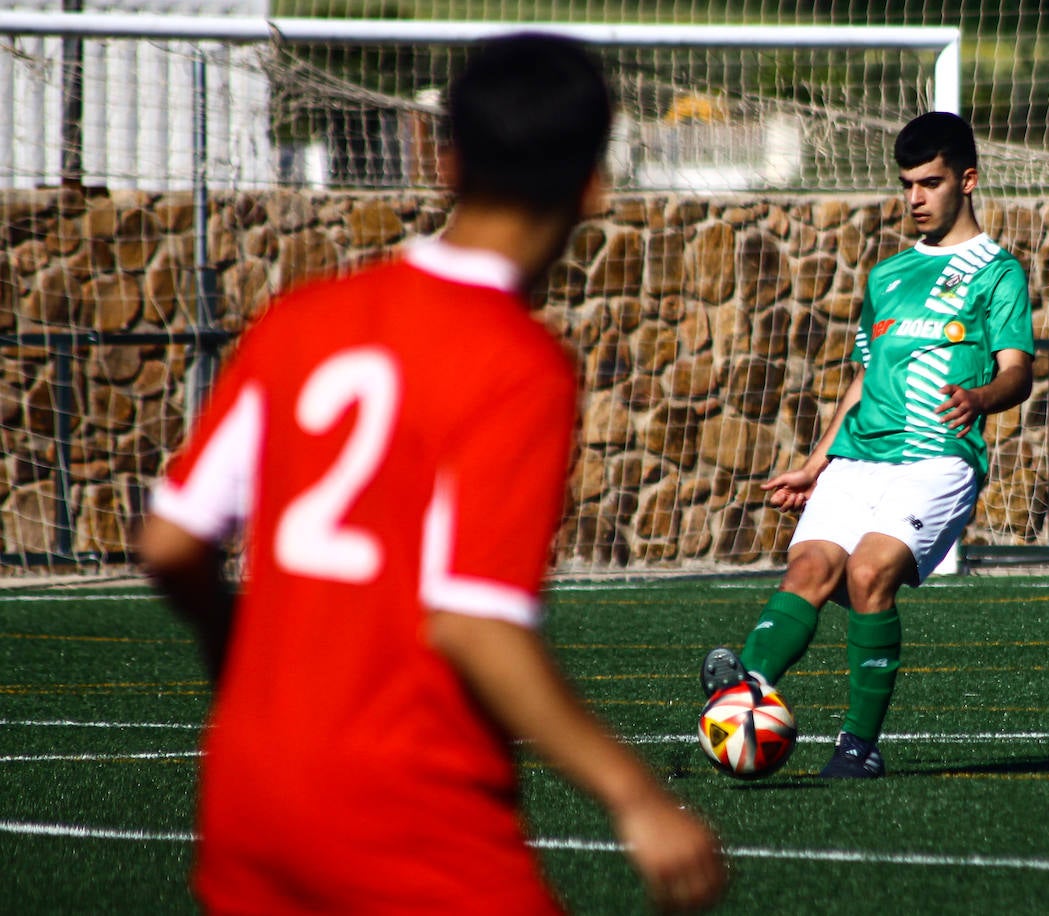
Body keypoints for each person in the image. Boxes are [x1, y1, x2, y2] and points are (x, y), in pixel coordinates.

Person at [138, 33, 725, 913]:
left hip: (250, 791)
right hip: (408, 801)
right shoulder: (517, 363)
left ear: (445, 160)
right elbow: (472, 621)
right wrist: (636, 794)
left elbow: (170, 540)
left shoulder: (305, 319)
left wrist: (232, 644)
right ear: (594, 186)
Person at [700, 111, 1034, 779]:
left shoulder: (998, 274)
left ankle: (859, 746)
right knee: (808, 572)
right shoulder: (886, 276)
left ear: (966, 181)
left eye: (929, 183)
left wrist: (981, 398)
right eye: (906, 184)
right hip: (858, 457)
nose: (914, 198)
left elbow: (1018, 371)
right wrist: (816, 462)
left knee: (867, 574)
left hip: (937, 460)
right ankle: (744, 691)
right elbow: (864, 376)